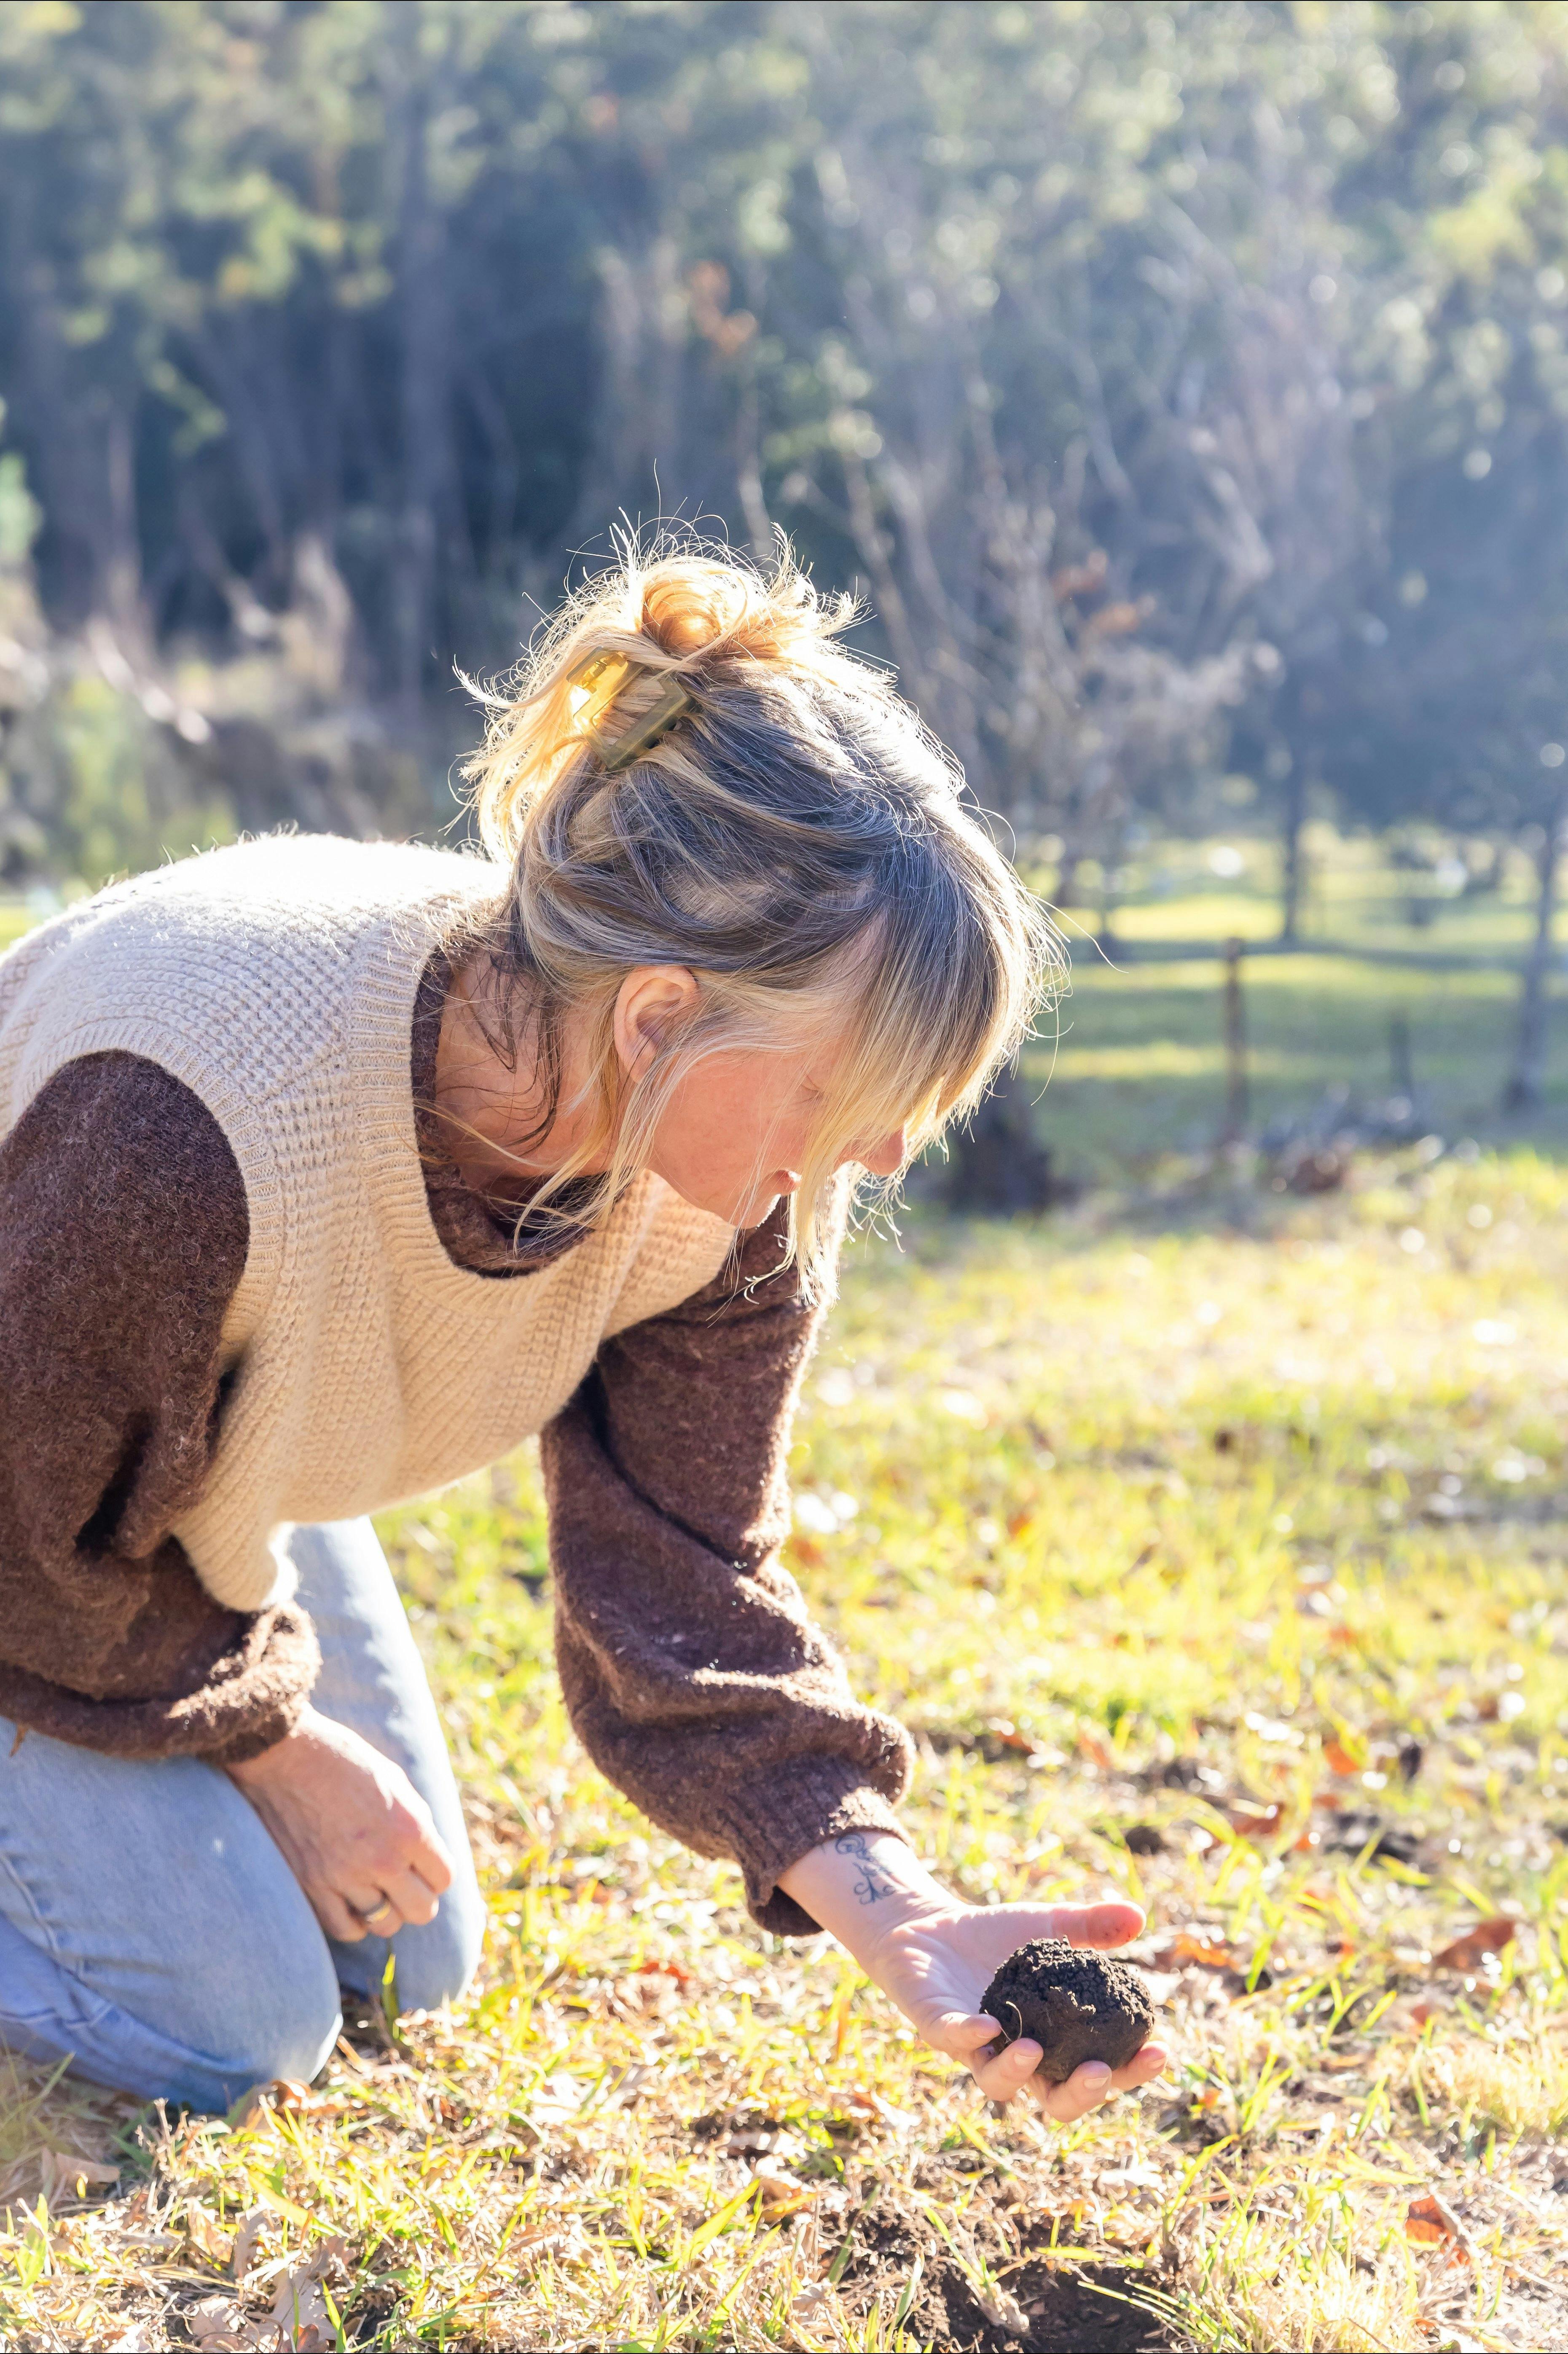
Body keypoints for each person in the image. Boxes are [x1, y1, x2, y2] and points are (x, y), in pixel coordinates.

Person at [0, 544, 1166, 2118]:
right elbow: (27, 1531)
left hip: (180, 1458)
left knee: (412, 1964)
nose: (885, 1155)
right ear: (662, 1016)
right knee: (242, 2032)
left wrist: (899, 1914)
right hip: (29, 1479)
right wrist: (272, 1739)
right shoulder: (182, 1122)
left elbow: (682, 1576)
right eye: (848, 1090)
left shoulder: (732, 1189)